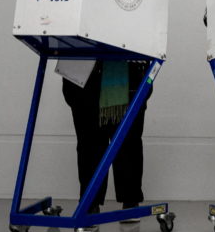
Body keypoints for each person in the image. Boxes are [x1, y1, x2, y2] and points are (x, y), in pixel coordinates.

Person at [61, 60, 149, 219]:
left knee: (127, 142)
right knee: (89, 143)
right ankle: (90, 201)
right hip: (83, 74)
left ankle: (129, 201)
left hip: (127, 72)